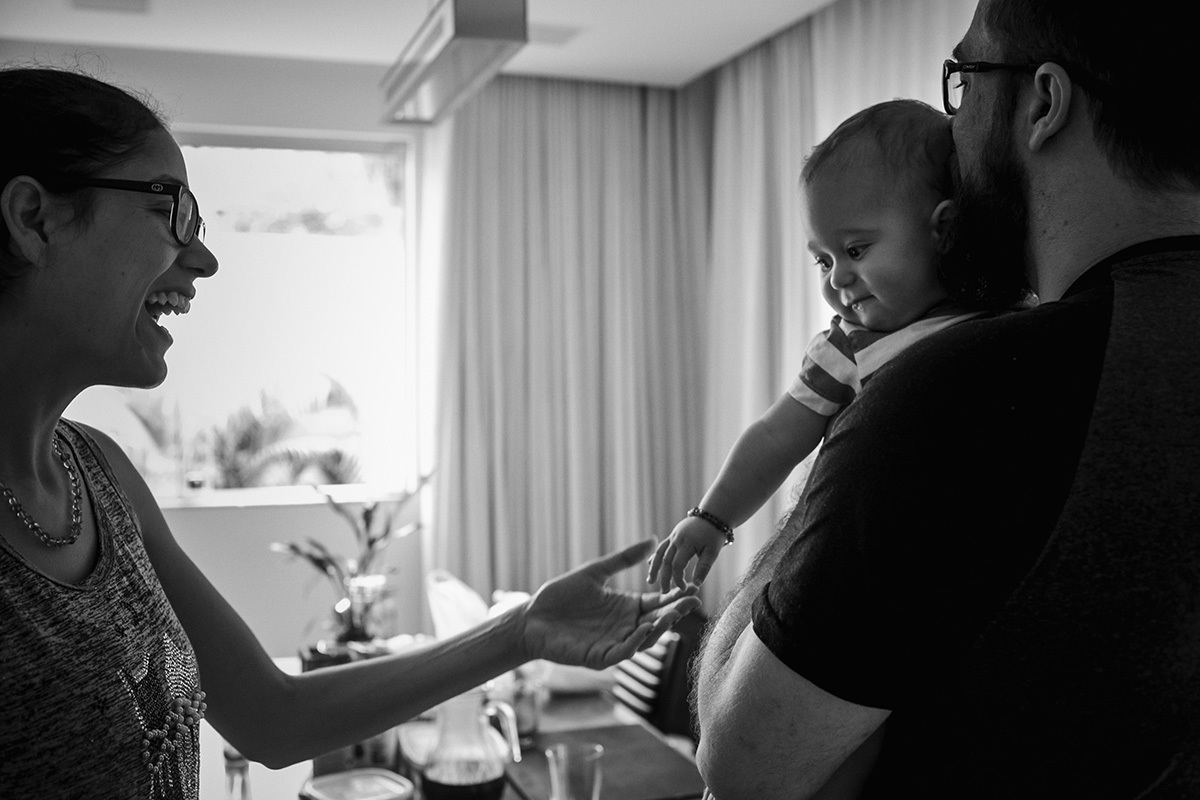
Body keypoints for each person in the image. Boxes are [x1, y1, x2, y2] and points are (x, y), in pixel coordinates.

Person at [0, 67, 701, 798]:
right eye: (172, 210)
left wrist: (521, 632)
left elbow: (274, 718)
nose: (203, 259)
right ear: (33, 218)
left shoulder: (103, 477)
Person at [693, 1, 1200, 798]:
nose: (951, 129)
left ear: (1042, 102)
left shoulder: (960, 393)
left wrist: (819, 498)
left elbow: (742, 766)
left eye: (963, 81)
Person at [648, 99, 1022, 593]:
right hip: (884, 557)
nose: (838, 278)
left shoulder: (1011, 314)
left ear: (944, 229)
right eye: (823, 261)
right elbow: (775, 437)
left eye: (855, 250)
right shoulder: (846, 349)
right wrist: (713, 517)